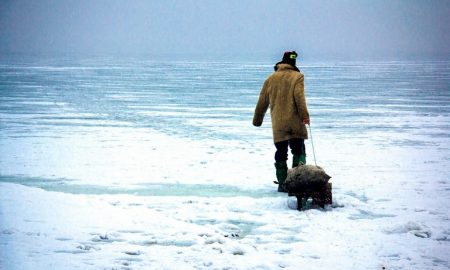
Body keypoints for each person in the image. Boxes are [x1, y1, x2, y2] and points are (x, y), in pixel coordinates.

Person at [253, 51, 310, 192]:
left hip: (278, 124)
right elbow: (299, 99)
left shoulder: (271, 78)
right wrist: (305, 116)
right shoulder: (298, 77)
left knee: (281, 152)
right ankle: (297, 182)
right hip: (295, 122)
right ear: (293, 64)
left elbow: (262, 101)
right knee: (298, 150)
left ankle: (283, 183)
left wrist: (257, 120)